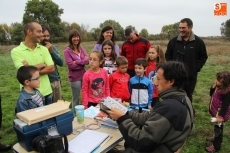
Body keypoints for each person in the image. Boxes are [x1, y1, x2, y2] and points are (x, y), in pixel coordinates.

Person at [107, 61, 194, 153]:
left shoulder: (170, 107)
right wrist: (125, 112)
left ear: (171, 81)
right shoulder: (183, 98)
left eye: (158, 79)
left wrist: (122, 118)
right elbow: (150, 116)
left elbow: (140, 142)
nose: (155, 83)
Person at [165, 18, 208, 102]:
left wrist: (195, 68)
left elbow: (203, 56)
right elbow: (168, 55)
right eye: (180, 28)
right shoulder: (173, 41)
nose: (181, 30)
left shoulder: (198, 42)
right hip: (175, 76)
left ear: (190, 27)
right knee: (174, 95)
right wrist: (172, 67)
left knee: (188, 97)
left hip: (190, 76)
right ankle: (175, 113)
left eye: (183, 28)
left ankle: (188, 113)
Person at [11, 22, 54, 105]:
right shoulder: (16, 51)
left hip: (46, 93)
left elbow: (51, 68)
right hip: (29, 96)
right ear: (29, 32)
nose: (41, 35)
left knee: (49, 118)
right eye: (39, 31)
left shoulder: (43, 49)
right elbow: (24, 72)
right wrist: (42, 65)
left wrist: (30, 69)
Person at [64, 29, 89, 112]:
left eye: (77, 37)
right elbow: (71, 66)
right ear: (70, 38)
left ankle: (85, 113)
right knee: (76, 99)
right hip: (75, 78)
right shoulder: (67, 51)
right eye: (74, 37)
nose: (76, 39)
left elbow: (88, 60)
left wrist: (77, 62)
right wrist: (82, 62)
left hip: (84, 76)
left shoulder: (81, 49)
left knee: (85, 95)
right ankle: (75, 116)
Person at [206, 70, 230, 152]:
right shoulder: (220, 87)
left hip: (220, 115)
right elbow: (211, 94)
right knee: (218, 128)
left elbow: (225, 106)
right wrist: (213, 87)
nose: (216, 80)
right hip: (216, 113)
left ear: (225, 82)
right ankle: (216, 138)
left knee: (218, 130)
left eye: (218, 80)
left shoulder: (227, 92)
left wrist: (220, 117)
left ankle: (216, 146)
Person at [41, 25, 63, 103]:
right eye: (44, 36)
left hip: (54, 80)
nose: (46, 38)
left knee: (57, 105)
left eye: (48, 36)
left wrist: (51, 51)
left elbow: (61, 62)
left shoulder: (52, 47)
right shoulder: (37, 49)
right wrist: (45, 51)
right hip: (42, 82)